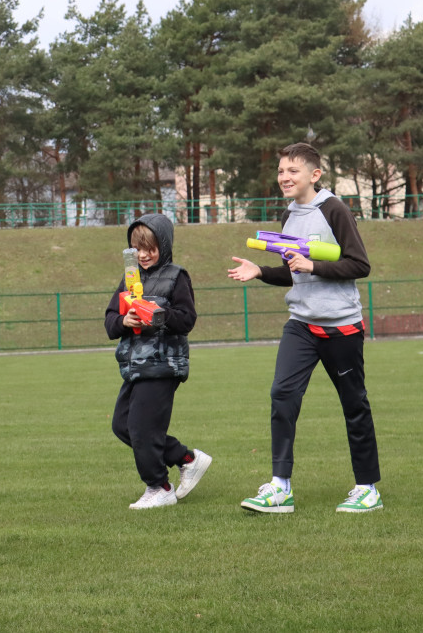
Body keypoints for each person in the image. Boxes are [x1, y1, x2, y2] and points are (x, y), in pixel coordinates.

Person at [228, 142, 382, 514]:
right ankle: (280, 488)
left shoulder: (335, 210)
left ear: (314, 175)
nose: (284, 177)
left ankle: (367, 489)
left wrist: (315, 267)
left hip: (340, 326)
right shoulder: (288, 216)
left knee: (354, 405)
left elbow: (359, 265)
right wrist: (261, 271)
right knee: (282, 395)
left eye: (292, 171)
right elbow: (293, 269)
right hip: (300, 325)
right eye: (281, 171)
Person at [104, 213, 212, 509]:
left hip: (164, 365)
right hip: (134, 366)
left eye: (150, 249)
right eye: (137, 249)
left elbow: (187, 319)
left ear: (163, 246)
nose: (143, 255)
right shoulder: (129, 278)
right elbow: (110, 320)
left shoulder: (177, 276)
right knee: (122, 425)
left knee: (141, 429)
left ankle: (159, 487)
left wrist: (157, 314)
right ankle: (186, 459)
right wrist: (124, 320)